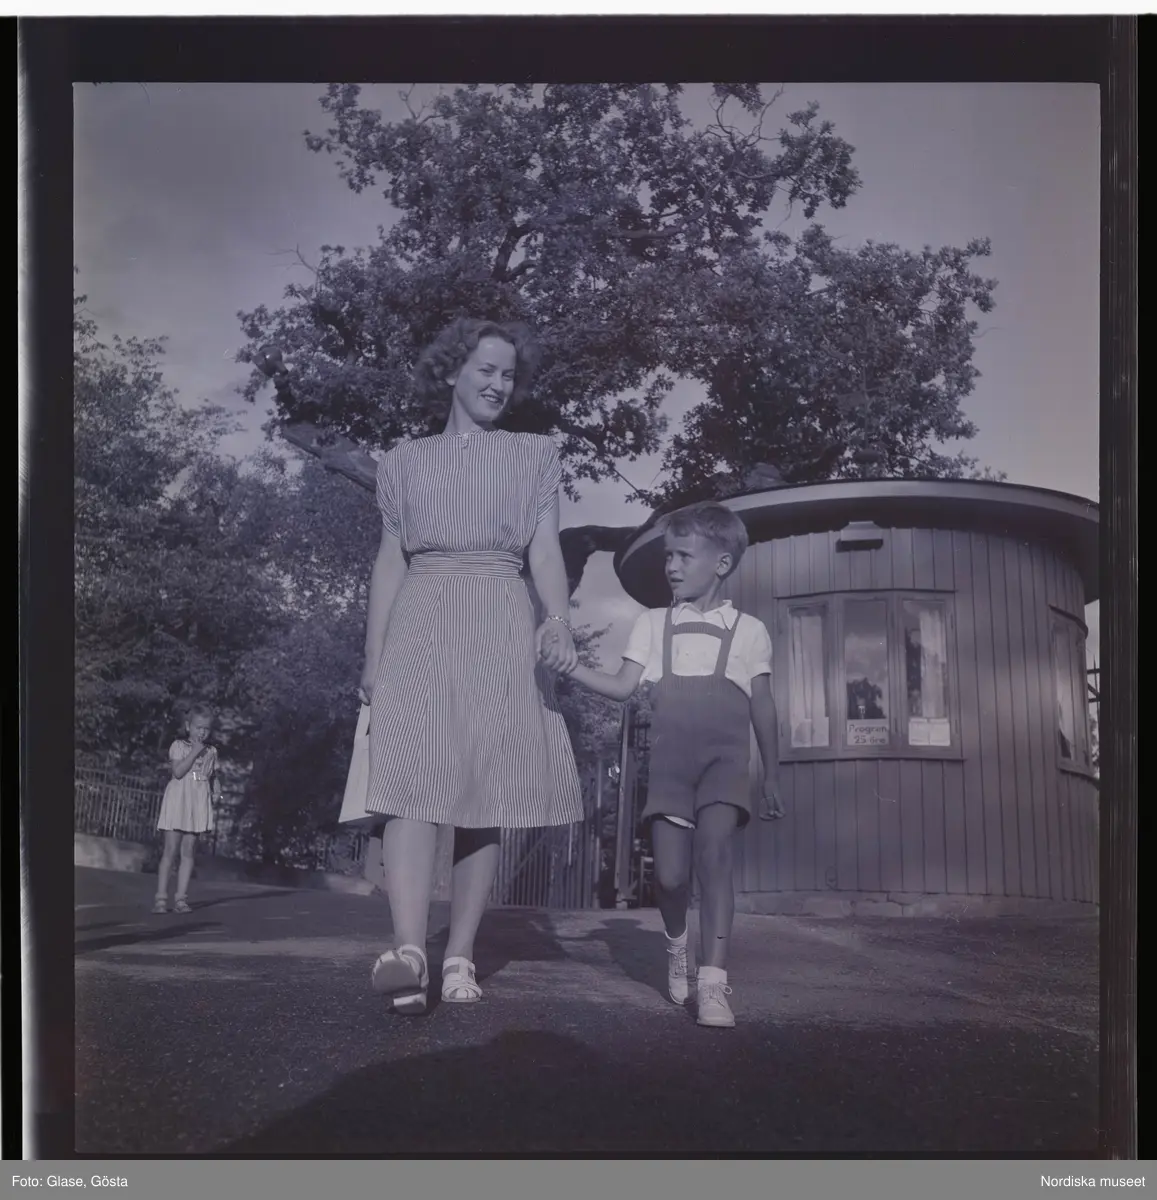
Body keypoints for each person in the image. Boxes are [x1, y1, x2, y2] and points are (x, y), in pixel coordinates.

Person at [357, 316, 585, 1015]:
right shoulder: (403, 461)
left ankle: (459, 955)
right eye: (485, 369)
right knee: (408, 779)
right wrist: (372, 658)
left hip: (498, 613)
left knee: (482, 792)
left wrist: (556, 621)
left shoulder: (533, 454)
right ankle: (409, 952)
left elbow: (544, 550)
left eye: (507, 375)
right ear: (452, 370)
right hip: (420, 616)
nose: (497, 384)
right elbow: (389, 562)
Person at [559, 502, 785, 1028]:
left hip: (725, 763)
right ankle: (677, 945)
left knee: (715, 857)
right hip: (670, 766)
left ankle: (714, 983)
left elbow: (763, 705)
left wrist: (772, 773)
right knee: (671, 877)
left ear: (721, 564)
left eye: (684, 556)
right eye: (669, 556)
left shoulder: (749, 631)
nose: (672, 567)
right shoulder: (653, 624)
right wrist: (570, 666)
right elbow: (622, 687)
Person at [153, 703, 221, 914]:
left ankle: (181, 899)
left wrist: (217, 790)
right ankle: (161, 898)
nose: (202, 732)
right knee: (170, 849)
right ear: (188, 726)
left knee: (188, 850)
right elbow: (178, 772)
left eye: (206, 728)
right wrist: (194, 752)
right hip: (179, 799)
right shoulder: (178, 746)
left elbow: (213, 775)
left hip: (197, 801)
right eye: (198, 727)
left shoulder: (212, 751)